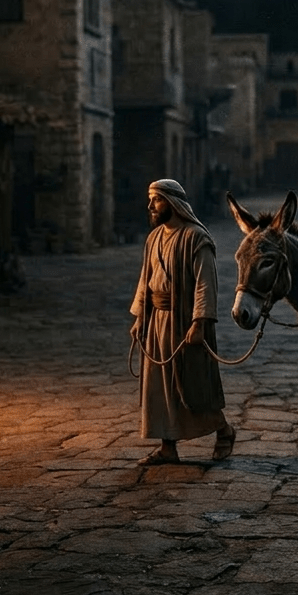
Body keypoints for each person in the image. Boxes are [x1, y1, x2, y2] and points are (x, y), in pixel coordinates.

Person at [130, 179, 235, 465]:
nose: (151, 205)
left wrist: (199, 322)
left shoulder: (196, 238)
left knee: (190, 384)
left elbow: (205, 285)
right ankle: (167, 447)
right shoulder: (153, 239)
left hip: (185, 324)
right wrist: (140, 317)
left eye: (157, 199)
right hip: (157, 322)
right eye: (150, 200)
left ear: (174, 203)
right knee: (158, 387)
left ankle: (224, 430)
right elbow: (145, 281)